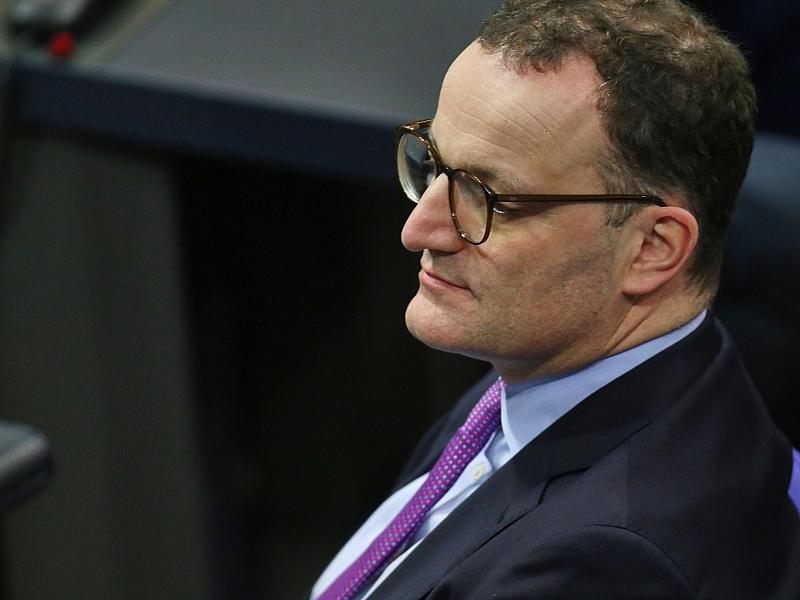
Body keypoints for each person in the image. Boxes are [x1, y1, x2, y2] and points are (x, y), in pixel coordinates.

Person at [312, 1, 800, 598]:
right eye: (434, 165)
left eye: (492, 197)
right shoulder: (561, 364)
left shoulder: (601, 564)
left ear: (652, 248)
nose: (419, 231)